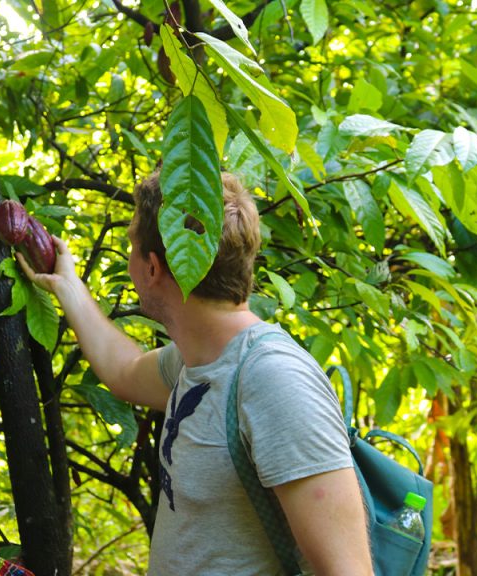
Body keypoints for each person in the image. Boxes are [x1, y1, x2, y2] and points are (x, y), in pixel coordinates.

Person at [18, 171, 373, 575]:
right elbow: (125, 371)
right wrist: (68, 287)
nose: (129, 258)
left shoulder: (275, 381)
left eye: (131, 246)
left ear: (151, 268)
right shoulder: (199, 359)